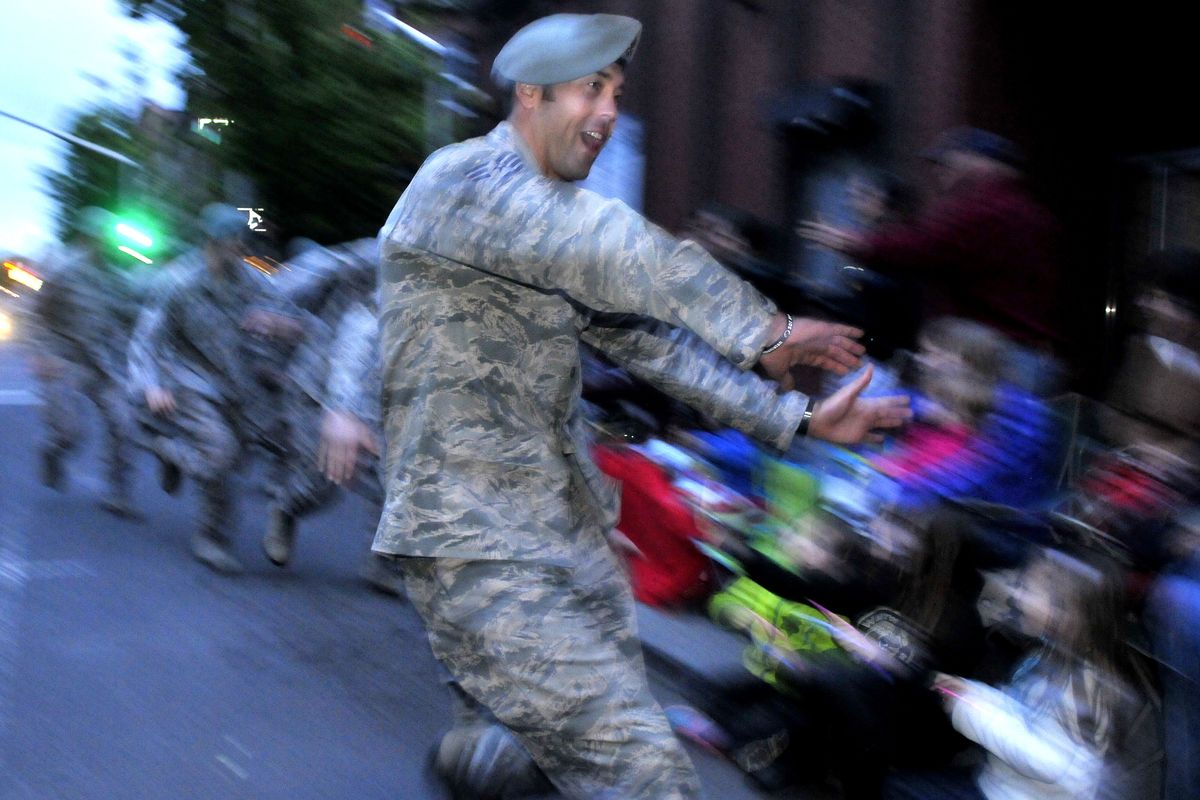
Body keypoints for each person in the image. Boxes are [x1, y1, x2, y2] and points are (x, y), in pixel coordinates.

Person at [374, 12, 911, 799]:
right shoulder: (463, 183)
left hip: (558, 517)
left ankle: (496, 759)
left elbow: (655, 346)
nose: (610, 113)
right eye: (593, 91)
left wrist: (790, 418)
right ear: (533, 96)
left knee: (539, 748)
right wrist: (765, 332)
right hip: (472, 521)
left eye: (617, 93)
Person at [128, 203, 307, 574]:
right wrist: (152, 386)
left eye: (242, 242)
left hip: (237, 383)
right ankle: (211, 539)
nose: (240, 249)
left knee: (239, 458)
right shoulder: (179, 283)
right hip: (189, 379)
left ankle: (172, 452)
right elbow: (147, 340)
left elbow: (293, 319)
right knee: (219, 454)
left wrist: (279, 325)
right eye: (232, 242)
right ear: (212, 242)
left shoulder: (252, 280)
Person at [799, 127, 1064, 375]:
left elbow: (925, 246)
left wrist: (857, 244)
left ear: (981, 162)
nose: (940, 171)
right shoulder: (1030, 211)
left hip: (992, 354)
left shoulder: (983, 207)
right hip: (1022, 351)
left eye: (948, 161)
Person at [26, 206, 144, 518]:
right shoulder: (63, 271)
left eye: (107, 239)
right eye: (98, 238)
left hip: (102, 364)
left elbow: (131, 316)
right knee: (70, 431)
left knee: (125, 424)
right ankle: (53, 451)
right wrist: (40, 354)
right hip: (65, 360)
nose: (104, 244)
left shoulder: (118, 278)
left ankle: (119, 493)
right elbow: (35, 315)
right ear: (86, 238)